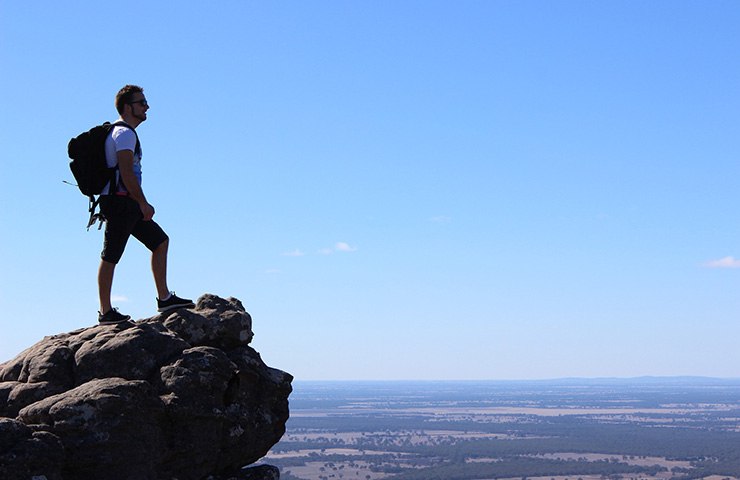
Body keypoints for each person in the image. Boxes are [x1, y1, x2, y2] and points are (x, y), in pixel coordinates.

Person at [96, 84, 193, 325]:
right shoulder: (125, 134)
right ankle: (105, 312)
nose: (147, 106)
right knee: (111, 255)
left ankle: (164, 298)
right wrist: (143, 203)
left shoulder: (121, 133)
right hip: (121, 203)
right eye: (141, 102)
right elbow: (127, 172)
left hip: (124, 202)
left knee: (160, 241)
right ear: (128, 107)